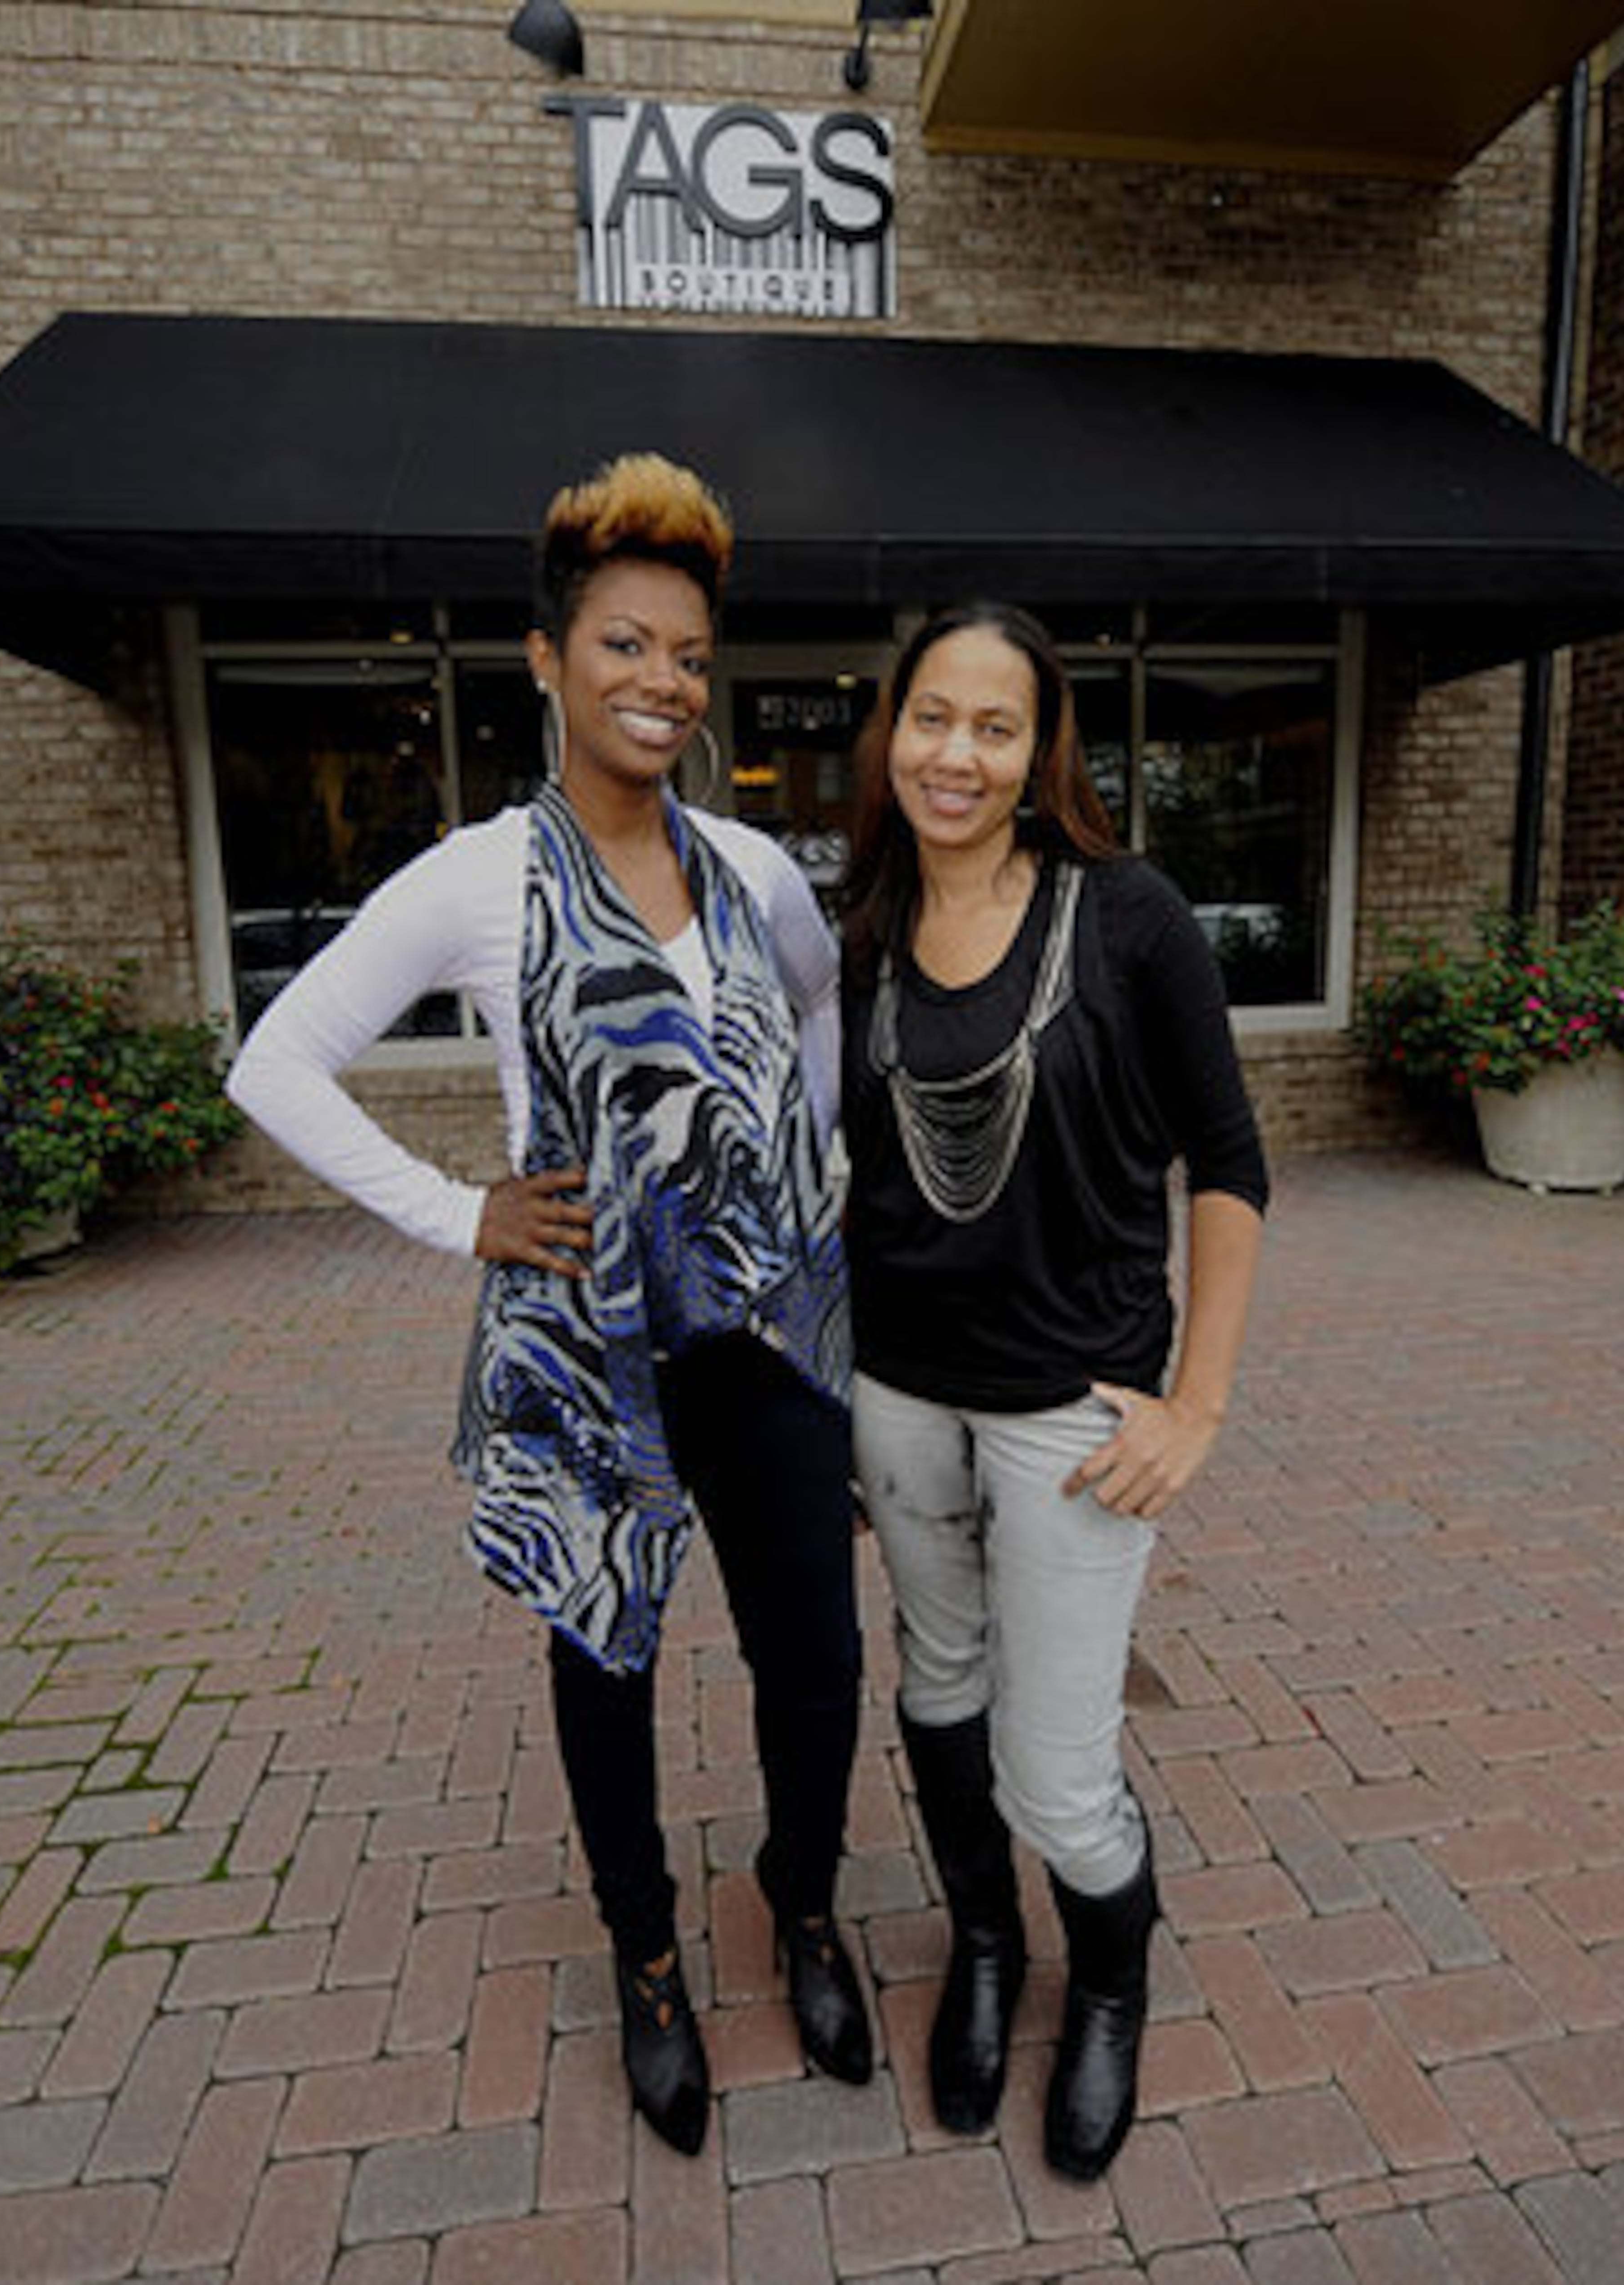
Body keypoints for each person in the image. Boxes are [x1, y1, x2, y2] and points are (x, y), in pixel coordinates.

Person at [227, 453, 872, 2159]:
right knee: (613, 1651)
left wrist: (791, 1180)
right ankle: (647, 1951)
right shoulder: (474, 881)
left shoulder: (753, 869)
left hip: (774, 1337)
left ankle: (800, 1901)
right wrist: (462, 1213)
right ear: (545, 659)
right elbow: (275, 1060)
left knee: (817, 1649)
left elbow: (815, 1016)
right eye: (622, 644)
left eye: (684, 652)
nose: (660, 680)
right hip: (593, 1348)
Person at [840, 600, 1267, 2182]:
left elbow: (1228, 1166)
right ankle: (987, 1947)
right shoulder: (861, 926)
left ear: (1040, 750)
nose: (955, 752)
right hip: (899, 1394)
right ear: (891, 733)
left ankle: (1108, 1983)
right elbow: (852, 1180)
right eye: (929, 717)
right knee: (938, 1684)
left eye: (993, 725)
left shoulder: (1131, 917)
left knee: (1060, 1765)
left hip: (1071, 1416)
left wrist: (1198, 1404)